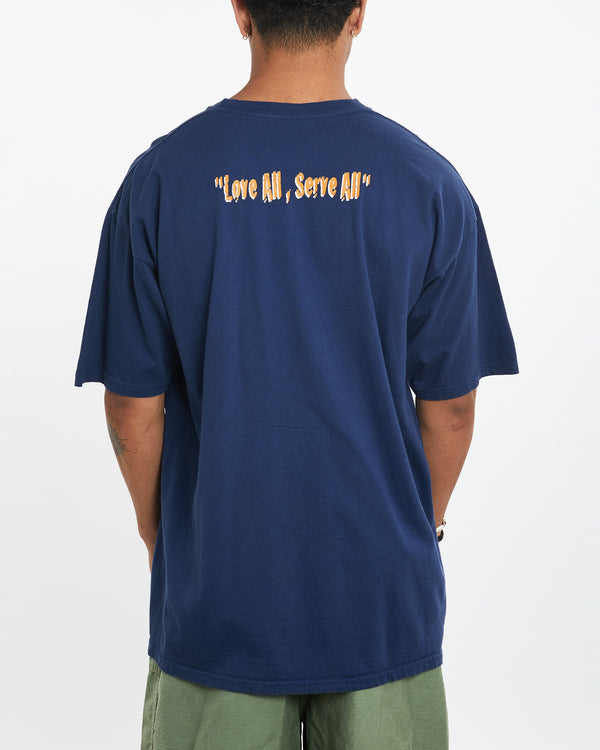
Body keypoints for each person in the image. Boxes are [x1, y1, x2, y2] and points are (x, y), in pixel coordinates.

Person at [74, 0, 519, 747]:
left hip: (219, 596)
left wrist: (164, 535)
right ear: (358, 13)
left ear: (241, 11)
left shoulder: (160, 180)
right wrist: (423, 524)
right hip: (381, 597)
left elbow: (132, 406)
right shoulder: (427, 183)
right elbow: (450, 408)